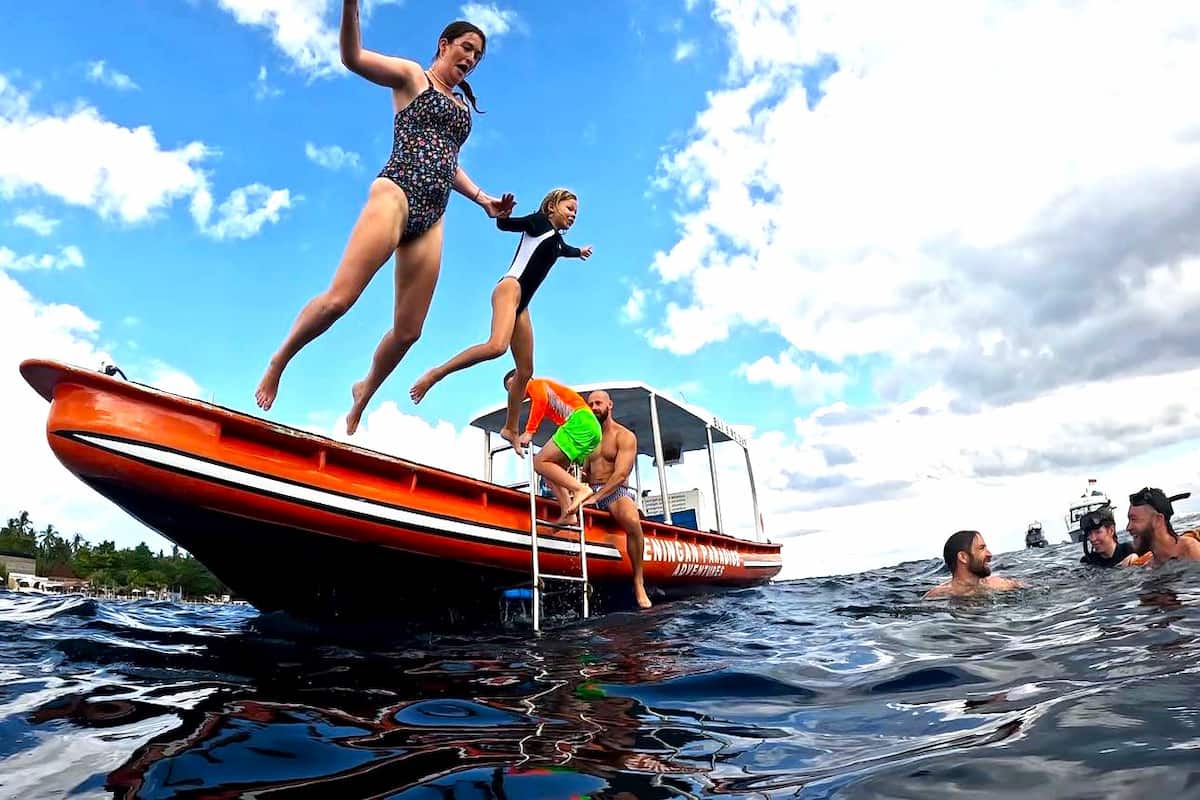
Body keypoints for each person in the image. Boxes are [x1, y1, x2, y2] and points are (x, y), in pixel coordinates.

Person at [254, 6, 515, 434]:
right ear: (444, 45)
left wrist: (482, 199)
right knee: (340, 299)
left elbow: (449, 163)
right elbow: (352, 57)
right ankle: (279, 360)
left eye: (478, 55)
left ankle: (364, 391)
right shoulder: (413, 77)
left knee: (409, 331)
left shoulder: (463, 107)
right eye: (466, 47)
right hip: (396, 192)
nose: (471, 58)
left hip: (434, 214)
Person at [408, 188, 593, 431]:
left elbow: (566, 250)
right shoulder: (538, 223)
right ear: (551, 207)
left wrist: (580, 251)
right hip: (510, 289)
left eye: (576, 212)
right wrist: (503, 216)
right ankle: (436, 374)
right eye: (569, 209)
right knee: (496, 347)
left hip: (522, 304)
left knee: (526, 371)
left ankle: (510, 427)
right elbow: (507, 226)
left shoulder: (558, 242)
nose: (573, 215)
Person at [580, 390, 652, 609]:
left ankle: (638, 582)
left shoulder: (624, 436)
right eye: (590, 404)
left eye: (598, 403)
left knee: (633, 523)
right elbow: (585, 470)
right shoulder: (589, 438)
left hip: (615, 491)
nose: (594, 407)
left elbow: (620, 474)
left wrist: (598, 498)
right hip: (591, 490)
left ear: (609, 405)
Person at [505, 370, 601, 523]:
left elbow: (541, 401)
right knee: (549, 472)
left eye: (513, 385)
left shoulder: (536, 384)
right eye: (509, 390)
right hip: (588, 428)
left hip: (580, 421)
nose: (513, 391)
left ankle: (580, 489)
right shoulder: (540, 390)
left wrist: (529, 432)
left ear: (524, 378)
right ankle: (568, 512)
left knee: (539, 462)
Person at [923, 530, 1023, 599]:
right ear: (963, 557)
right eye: (981, 548)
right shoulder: (937, 596)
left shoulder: (1000, 584)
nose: (989, 554)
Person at [1125, 487, 1199, 566]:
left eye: (1134, 519)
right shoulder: (1148, 566)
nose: (1128, 528)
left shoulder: (1191, 552)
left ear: (1158, 520)